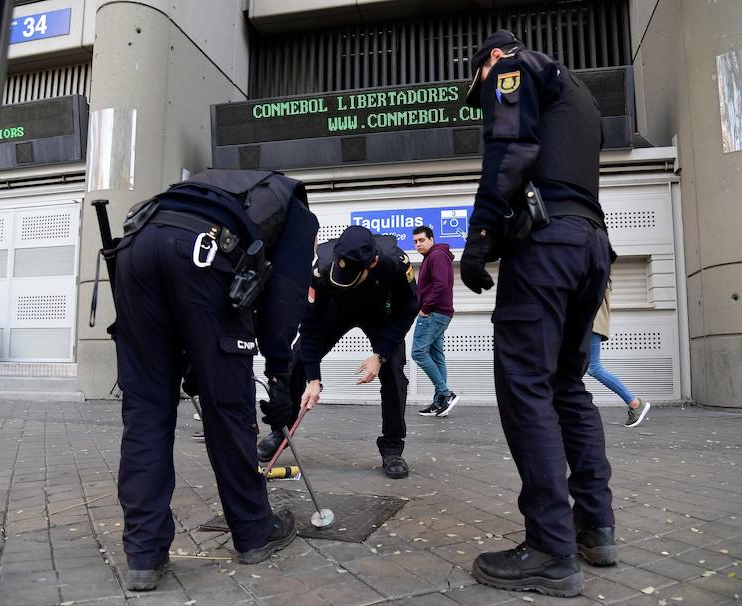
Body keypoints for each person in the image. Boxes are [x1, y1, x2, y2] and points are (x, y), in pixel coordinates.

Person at [460, 30, 616, 597]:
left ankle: (550, 549)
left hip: (547, 249)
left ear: (491, 61)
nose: (482, 98)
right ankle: (594, 527)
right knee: (567, 387)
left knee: (525, 385)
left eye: (478, 86)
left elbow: (510, 148)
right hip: (591, 245)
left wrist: (478, 235)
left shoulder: (516, 68)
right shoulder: (581, 96)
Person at [111, 169, 318, 590]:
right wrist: (281, 373)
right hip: (204, 255)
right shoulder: (298, 211)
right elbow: (285, 294)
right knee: (228, 411)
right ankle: (255, 533)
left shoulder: (211, 187)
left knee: (146, 412)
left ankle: (144, 554)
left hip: (134, 250)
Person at [257, 225, 418, 479]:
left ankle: (392, 447)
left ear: (373, 262)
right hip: (337, 309)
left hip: (380, 313)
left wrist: (381, 355)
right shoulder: (322, 268)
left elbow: (408, 310)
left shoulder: (394, 263)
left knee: (394, 374)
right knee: (297, 359)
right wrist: (313, 379)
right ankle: (281, 431)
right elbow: (309, 327)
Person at [411, 226, 460, 417]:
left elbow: (441, 285)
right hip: (440, 313)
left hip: (433, 314)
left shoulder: (437, 256)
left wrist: (425, 309)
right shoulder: (433, 256)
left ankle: (446, 394)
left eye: (421, 240)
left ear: (431, 239)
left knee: (418, 352)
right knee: (436, 355)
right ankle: (440, 402)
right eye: (415, 241)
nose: (417, 244)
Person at [588, 285, 651, 428]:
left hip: (589, 323)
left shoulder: (593, 267)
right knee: (577, 367)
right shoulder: (596, 266)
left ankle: (635, 403)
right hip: (588, 323)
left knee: (593, 368)